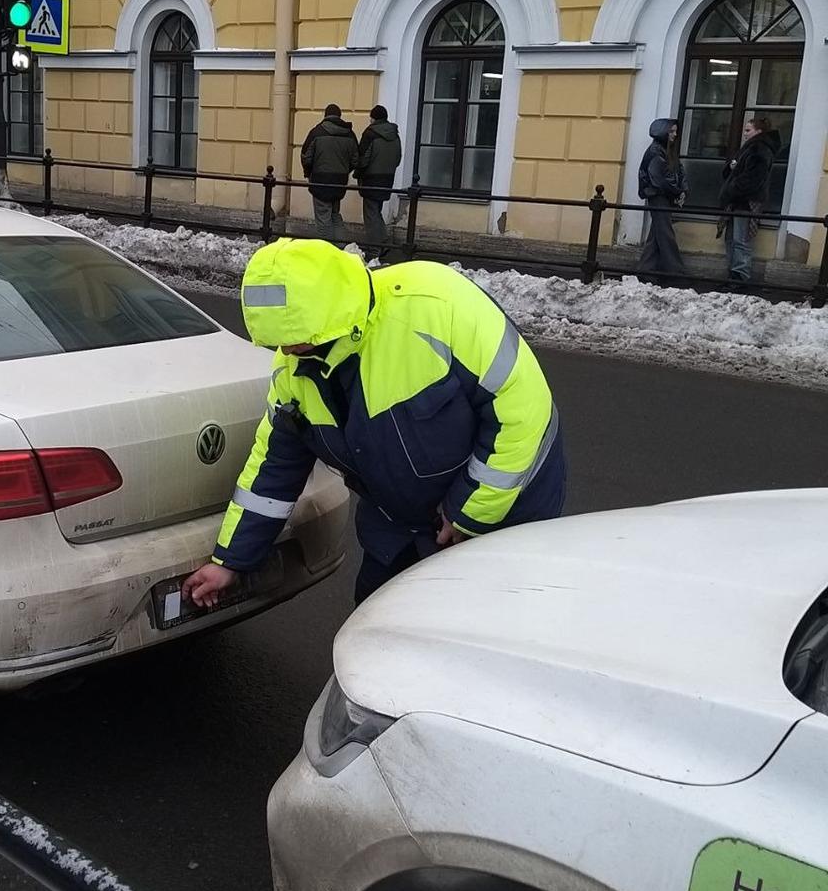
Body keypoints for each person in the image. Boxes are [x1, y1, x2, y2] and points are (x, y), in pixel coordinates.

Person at [182, 239, 566, 610]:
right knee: (376, 633)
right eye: (280, 342)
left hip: (503, 523)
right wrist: (230, 561)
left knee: (477, 649)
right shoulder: (295, 369)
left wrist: (469, 514)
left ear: (333, 314)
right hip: (399, 528)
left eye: (298, 341)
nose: (287, 352)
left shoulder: (438, 306)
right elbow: (273, 469)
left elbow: (523, 414)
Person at [717, 116, 779, 283]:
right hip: (738, 200)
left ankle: (739, 277)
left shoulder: (759, 149)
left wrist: (732, 189)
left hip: (746, 201)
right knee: (732, 239)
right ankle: (734, 275)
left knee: (741, 240)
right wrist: (732, 169)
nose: (744, 134)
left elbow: (752, 179)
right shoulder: (751, 148)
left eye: (747, 130)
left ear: (758, 131)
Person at [636, 118, 688, 279]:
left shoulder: (666, 150)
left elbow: (678, 170)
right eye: (671, 131)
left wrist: (682, 189)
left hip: (662, 195)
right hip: (658, 196)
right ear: (663, 132)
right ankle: (675, 271)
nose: (674, 134)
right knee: (665, 233)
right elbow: (660, 179)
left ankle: (646, 269)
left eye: (675, 131)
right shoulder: (655, 152)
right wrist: (678, 191)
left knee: (657, 232)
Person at [301, 104, 358, 242]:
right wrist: (344, 171)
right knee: (335, 214)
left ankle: (326, 249)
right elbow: (356, 160)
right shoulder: (349, 134)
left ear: (325, 116)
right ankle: (340, 246)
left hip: (320, 179)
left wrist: (309, 173)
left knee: (322, 218)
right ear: (339, 116)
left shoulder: (317, 132)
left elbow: (306, 157)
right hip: (340, 181)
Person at [355, 105, 403, 256]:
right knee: (377, 211)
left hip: (370, 179)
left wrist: (358, 173)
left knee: (371, 214)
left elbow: (363, 159)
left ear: (373, 118)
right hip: (387, 179)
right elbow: (397, 158)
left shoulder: (370, 134)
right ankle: (384, 242)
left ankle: (374, 249)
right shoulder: (395, 135)